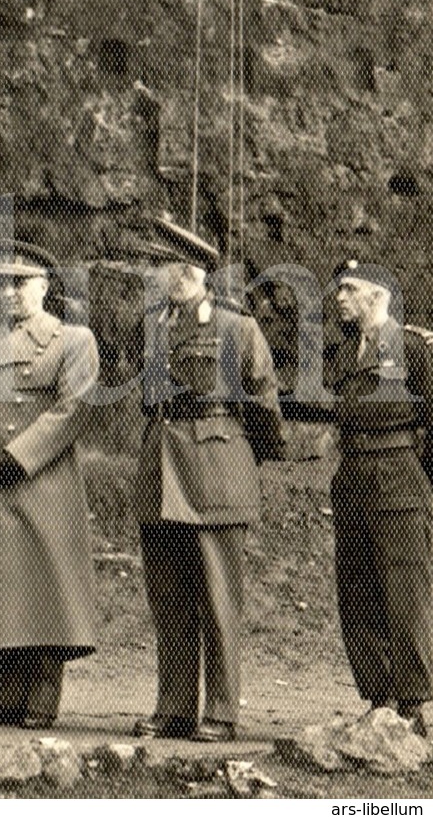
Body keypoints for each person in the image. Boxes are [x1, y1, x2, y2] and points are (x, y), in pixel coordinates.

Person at [126, 216, 283, 744]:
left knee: (218, 598)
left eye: (162, 264)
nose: (155, 273)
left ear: (190, 271)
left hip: (215, 469)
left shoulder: (237, 328)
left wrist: (238, 459)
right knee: (168, 599)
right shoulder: (153, 325)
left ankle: (219, 711)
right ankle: (173, 707)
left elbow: (263, 403)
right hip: (160, 470)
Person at [0, 239, 100, 730]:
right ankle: (8, 688)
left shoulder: (72, 340)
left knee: (45, 587)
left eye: (21, 283)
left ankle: (44, 689)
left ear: (45, 287)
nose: (10, 293)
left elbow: (75, 406)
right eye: (2, 284)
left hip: (40, 482)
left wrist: (18, 454)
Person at [288, 261, 433, 735]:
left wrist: (423, 481)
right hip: (352, 477)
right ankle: (380, 694)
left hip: (399, 475)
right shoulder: (344, 351)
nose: (339, 298)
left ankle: (416, 700)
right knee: (357, 588)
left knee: (406, 590)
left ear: (378, 294)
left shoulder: (412, 347)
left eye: (349, 290)